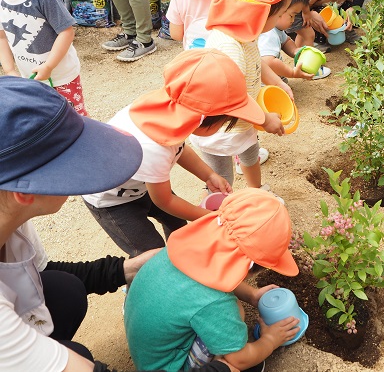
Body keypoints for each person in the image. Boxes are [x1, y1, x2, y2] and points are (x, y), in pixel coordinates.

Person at [0, 76, 240, 372]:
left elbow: (40, 273)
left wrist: (124, 269)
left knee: (64, 290)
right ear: (25, 191)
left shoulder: (12, 220)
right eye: (75, 161)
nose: (94, 165)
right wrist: (222, 368)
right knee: (80, 356)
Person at [82, 49, 268, 257]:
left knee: (177, 223)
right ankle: (142, 285)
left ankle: (180, 257)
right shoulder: (152, 147)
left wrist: (209, 175)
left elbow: (180, 150)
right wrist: (211, 218)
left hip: (141, 183)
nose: (226, 126)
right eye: (225, 122)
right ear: (204, 118)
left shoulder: (171, 113)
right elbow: (165, 201)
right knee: (149, 252)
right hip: (112, 200)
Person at [124, 188, 300, 372]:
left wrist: (252, 294)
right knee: (236, 322)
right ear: (250, 267)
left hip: (149, 349)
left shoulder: (184, 249)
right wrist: (270, 340)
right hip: (167, 367)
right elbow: (239, 359)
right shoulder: (215, 304)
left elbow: (218, 273)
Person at [189, 0, 313, 193]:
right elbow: (231, 100)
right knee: (222, 178)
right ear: (262, 12)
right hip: (220, 131)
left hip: (244, 122)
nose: (286, 20)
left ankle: (256, 190)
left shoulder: (246, 32)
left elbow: (257, 61)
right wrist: (265, 120)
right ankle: (221, 210)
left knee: (250, 153)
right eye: (284, 14)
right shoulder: (228, 47)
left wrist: (279, 83)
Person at [258, 0, 331, 81]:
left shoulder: (276, 29)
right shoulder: (269, 34)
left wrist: (295, 51)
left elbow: (286, 42)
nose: (293, 20)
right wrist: (291, 73)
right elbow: (269, 62)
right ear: (278, 11)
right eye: (292, 15)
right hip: (265, 83)